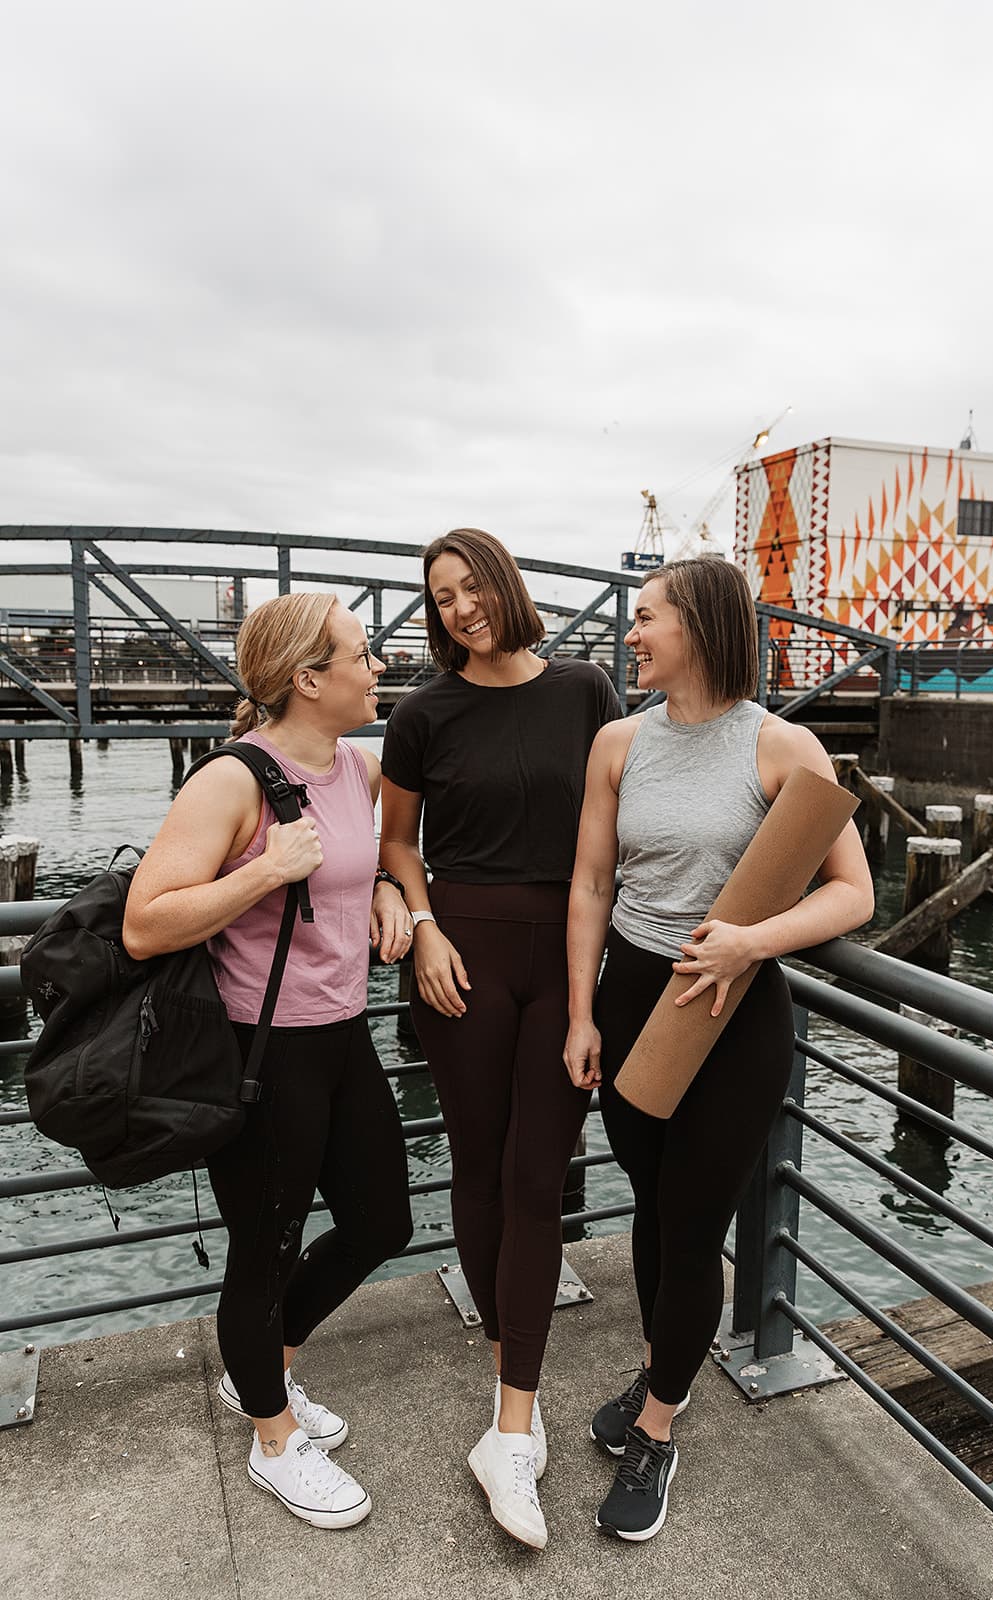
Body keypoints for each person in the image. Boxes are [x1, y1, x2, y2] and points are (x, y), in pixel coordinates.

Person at [564, 557, 874, 1542]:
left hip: (734, 1012)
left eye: (645, 617)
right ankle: (667, 1366)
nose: (631, 634)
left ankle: (659, 1423)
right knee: (651, 1210)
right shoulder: (616, 741)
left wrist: (751, 937)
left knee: (692, 1225)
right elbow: (587, 887)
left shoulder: (781, 748)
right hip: (630, 1005)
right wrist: (580, 1015)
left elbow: (850, 891)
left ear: (696, 625)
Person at [122, 592, 414, 1531]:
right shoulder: (232, 779)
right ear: (309, 678)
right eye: (363, 656)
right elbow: (144, 922)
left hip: (340, 1032)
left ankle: (265, 1366)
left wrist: (385, 896)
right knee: (266, 1244)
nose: (378, 669)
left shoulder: (357, 768)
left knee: (382, 1222)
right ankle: (273, 1436)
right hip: (260, 1050)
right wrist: (261, 871)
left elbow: (359, 862)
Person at [378, 527, 620, 1550]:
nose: (459, 607)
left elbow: (620, 828)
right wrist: (420, 925)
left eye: (471, 584)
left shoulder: (585, 690)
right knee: (477, 1170)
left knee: (536, 1175)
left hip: (564, 955)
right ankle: (510, 1400)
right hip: (457, 957)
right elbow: (396, 841)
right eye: (440, 596)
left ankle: (509, 1426)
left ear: (504, 583)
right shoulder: (423, 712)